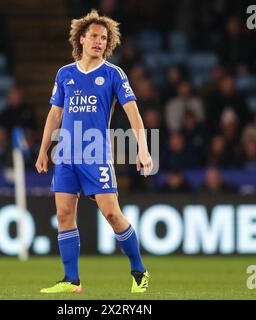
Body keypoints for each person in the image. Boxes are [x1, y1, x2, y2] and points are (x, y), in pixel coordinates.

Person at [35, 9, 152, 294]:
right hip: (64, 155)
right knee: (64, 214)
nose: (99, 41)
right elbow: (55, 115)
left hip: (95, 154)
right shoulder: (65, 74)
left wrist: (144, 149)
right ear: (82, 39)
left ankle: (139, 271)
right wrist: (43, 151)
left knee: (112, 214)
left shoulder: (113, 74)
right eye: (94, 36)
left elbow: (133, 113)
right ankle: (71, 280)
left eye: (104, 38)